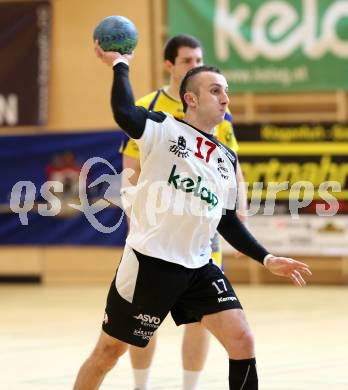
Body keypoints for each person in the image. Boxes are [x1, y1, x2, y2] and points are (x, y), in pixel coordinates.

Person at [73, 43, 312, 390]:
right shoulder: (162, 128)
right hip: (149, 265)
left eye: (227, 92)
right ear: (191, 99)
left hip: (199, 266)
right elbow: (124, 112)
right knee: (109, 351)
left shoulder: (225, 158)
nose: (225, 98)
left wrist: (267, 257)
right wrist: (120, 64)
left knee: (242, 340)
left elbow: (227, 220)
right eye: (216, 90)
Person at [120, 34, 247, 390]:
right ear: (170, 65)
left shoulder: (219, 111)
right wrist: (135, 219)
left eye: (199, 59)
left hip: (202, 232)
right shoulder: (149, 105)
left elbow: (231, 165)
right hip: (158, 232)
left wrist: (239, 215)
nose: (195, 65)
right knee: (145, 319)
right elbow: (130, 169)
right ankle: (140, 385)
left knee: (202, 317)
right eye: (188, 60)